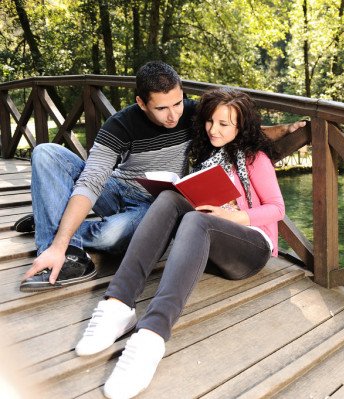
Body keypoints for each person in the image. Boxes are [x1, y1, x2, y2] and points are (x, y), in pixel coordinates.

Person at [16, 60, 303, 292]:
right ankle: (61, 255)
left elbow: (237, 127)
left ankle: (51, 215)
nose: (173, 115)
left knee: (112, 237)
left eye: (177, 103)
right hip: (116, 188)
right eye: (162, 108)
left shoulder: (194, 113)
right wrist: (59, 243)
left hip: (155, 204)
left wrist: (286, 130)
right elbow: (91, 181)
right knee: (46, 152)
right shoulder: (119, 127)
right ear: (141, 103)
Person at [74, 88, 285, 399]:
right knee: (172, 198)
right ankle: (118, 304)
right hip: (208, 241)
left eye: (225, 124)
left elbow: (277, 209)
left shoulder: (256, 158)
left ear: (241, 127)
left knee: (197, 220)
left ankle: (151, 336)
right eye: (211, 121)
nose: (214, 129)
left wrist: (235, 216)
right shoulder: (205, 155)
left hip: (252, 247)